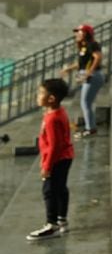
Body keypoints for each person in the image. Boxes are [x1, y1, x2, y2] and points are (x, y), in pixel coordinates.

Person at [27, 78, 74, 241]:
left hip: (56, 159)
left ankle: (51, 224)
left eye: (41, 93)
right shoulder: (57, 112)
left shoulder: (52, 118)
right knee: (60, 188)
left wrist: (47, 166)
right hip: (65, 156)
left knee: (49, 190)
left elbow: (54, 145)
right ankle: (62, 219)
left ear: (51, 98)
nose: (37, 96)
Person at [60, 24, 104, 138]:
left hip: (94, 76)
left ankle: (90, 129)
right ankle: (90, 127)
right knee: (86, 102)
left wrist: (90, 71)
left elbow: (98, 57)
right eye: (77, 32)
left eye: (80, 32)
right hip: (90, 76)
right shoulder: (84, 47)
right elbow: (81, 63)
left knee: (85, 102)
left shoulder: (92, 44)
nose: (77, 34)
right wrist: (68, 69)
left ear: (86, 34)